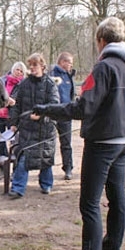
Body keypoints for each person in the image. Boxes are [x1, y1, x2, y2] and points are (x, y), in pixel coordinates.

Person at [31, 17, 125, 250]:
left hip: (102, 144)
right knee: (118, 201)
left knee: (90, 206)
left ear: (101, 41)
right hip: (123, 143)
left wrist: (46, 109)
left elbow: (83, 108)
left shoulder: (103, 67)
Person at [7, 53, 59, 199]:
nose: (32, 68)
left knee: (45, 158)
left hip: (45, 130)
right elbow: (17, 106)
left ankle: (46, 184)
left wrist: (42, 115)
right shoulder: (24, 84)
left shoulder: (50, 84)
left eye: (35, 65)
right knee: (23, 157)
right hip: (27, 129)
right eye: (30, 65)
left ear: (42, 66)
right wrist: (13, 123)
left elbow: (55, 105)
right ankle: (18, 188)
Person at [0, 61, 25, 180]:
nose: (19, 72)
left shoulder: (22, 85)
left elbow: (17, 101)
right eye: (17, 69)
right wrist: (7, 100)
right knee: (1, 143)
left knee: (15, 144)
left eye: (21, 71)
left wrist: (10, 100)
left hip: (13, 117)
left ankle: (15, 171)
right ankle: (2, 169)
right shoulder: (2, 81)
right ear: (13, 69)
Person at [49, 52, 76, 180]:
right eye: (69, 62)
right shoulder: (52, 73)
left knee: (66, 143)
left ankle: (68, 167)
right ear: (62, 62)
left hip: (66, 113)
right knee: (50, 142)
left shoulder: (69, 76)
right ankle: (47, 170)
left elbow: (71, 94)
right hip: (54, 113)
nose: (70, 65)